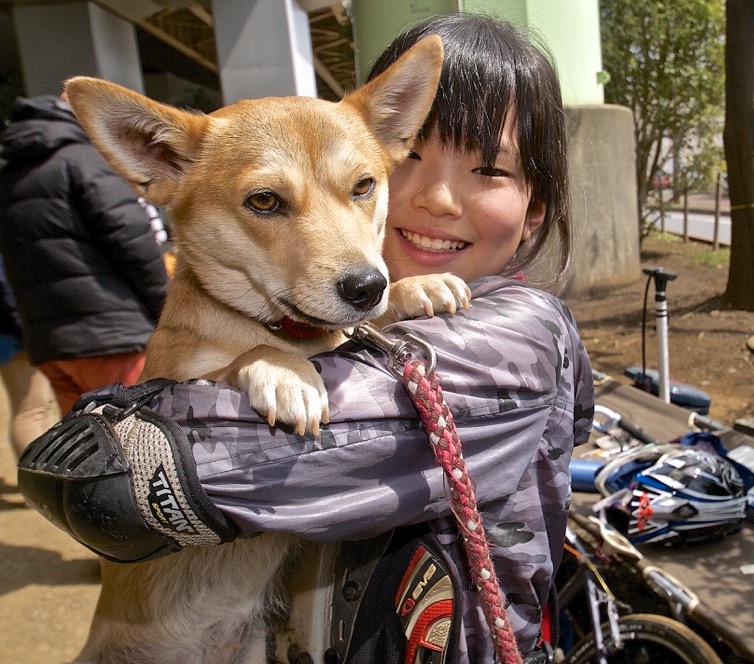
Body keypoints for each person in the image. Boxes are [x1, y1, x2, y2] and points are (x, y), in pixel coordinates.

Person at [18, 13, 593, 663]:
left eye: (488, 171)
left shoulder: (526, 336)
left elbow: (247, 458)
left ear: (536, 205)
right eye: (269, 201)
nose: (436, 198)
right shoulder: (228, 313)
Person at [0, 94, 169, 416]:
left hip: (51, 344)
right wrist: (167, 307)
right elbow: (132, 239)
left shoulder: (9, 178)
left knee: (89, 444)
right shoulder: (86, 160)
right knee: (140, 432)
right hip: (113, 334)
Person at [0, 257, 58, 457]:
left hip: (14, 330)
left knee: (42, 406)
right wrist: (27, 327)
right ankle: (37, 482)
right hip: (14, 333)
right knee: (31, 410)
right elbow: (6, 288)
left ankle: (48, 473)